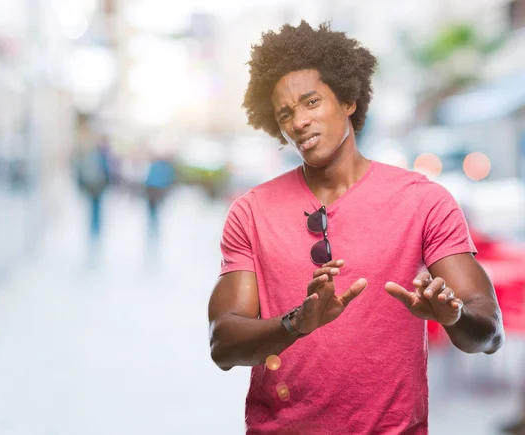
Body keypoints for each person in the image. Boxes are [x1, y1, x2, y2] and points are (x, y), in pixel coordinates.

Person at [207, 21, 504, 435]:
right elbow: (223, 344)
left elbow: (489, 333)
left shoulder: (423, 201)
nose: (299, 122)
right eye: (286, 114)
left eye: (311, 101)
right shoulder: (250, 212)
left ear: (347, 99)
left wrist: (453, 315)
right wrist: (295, 324)